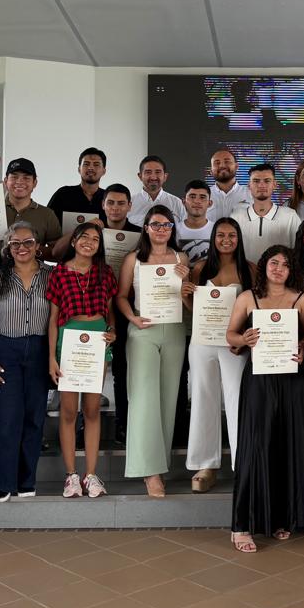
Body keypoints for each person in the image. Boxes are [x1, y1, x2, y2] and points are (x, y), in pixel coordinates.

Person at [226, 245, 304, 551]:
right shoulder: (247, 298)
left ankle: (281, 517)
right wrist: (243, 338)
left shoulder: (301, 299)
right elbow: (230, 335)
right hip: (259, 379)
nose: (279, 269)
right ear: (264, 265)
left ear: (293, 270)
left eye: (286, 264)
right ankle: (241, 525)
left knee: (286, 444)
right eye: (274, 263)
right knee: (255, 445)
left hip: (293, 380)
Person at [116, 205, 190, 497]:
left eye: (166, 225)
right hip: (143, 329)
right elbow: (121, 296)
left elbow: (188, 301)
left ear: (172, 228)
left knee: (168, 398)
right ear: (145, 228)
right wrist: (132, 318)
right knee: (144, 397)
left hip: (174, 329)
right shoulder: (133, 259)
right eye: (155, 224)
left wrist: (186, 282)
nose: (161, 229)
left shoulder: (182, 258)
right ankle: (150, 471)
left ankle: (161, 462)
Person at [0, 222, 53, 501]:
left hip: (39, 350)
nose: (22, 248)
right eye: (15, 243)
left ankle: (26, 481)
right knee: (8, 419)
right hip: (6, 351)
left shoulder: (51, 276)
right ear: (8, 248)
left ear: (37, 245)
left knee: (34, 418)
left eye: (28, 242)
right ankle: (5, 482)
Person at [182, 218, 256, 492]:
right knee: (203, 398)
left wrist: (245, 340)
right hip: (203, 342)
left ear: (239, 238)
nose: (226, 240)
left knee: (237, 401)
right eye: (221, 235)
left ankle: (242, 463)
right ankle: (206, 465)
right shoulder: (201, 268)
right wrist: (185, 295)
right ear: (213, 238)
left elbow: (257, 307)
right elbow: (195, 308)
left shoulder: (250, 269)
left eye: (232, 235)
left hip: (234, 345)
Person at [47, 221, 119, 499]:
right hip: (69, 342)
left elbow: (110, 313)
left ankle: (90, 474)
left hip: (96, 342)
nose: (89, 242)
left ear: (100, 246)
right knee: (68, 411)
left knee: (91, 409)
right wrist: (52, 357)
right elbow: (53, 319)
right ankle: (71, 475)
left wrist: (112, 331)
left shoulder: (105, 273)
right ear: (74, 241)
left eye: (95, 239)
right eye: (84, 237)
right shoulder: (59, 273)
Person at [101, 182, 141, 442]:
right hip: (97, 307)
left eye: (121, 203)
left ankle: (124, 424)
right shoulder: (93, 232)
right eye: (111, 203)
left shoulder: (140, 235)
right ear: (103, 205)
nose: (115, 208)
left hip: (129, 307)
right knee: (92, 369)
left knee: (123, 370)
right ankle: (84, 424)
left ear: (130, 206)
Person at [47, 147, 109, 259]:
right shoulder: (63, 194)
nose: (91, 168)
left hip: (99, 261)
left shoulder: (109, 198)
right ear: (79, 169)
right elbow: (49, 230)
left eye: (96, 164)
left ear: (104, 171)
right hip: (66, 259)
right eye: (86, 164)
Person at [233, 163, 302, 263]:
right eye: (256, 181)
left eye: (267, 181)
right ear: (249, 185)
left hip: (279, 272)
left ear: (274, 184)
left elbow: (300, 251)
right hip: (244, 272)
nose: (261, 185)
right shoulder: (236, 217)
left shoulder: (290, 216)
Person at [129, 155, 188, 225]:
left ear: (165, 176)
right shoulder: (129, 204)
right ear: (140, 176)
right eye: (148, 172)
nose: (153, 177)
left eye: (158, 172)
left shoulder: (177, 203)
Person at [177, 180, 215, 263]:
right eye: (192, 196)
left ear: (210, 203)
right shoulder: (173, 230)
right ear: (183, 201)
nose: (197, 201)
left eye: (202, 197)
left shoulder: (217, 230)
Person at [209, 148, 252, 220]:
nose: (222, 166)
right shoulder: (203, 196)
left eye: (227, 162)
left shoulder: (251, 194)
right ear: (211, 170)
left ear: (236, 167)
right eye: (217, 163)